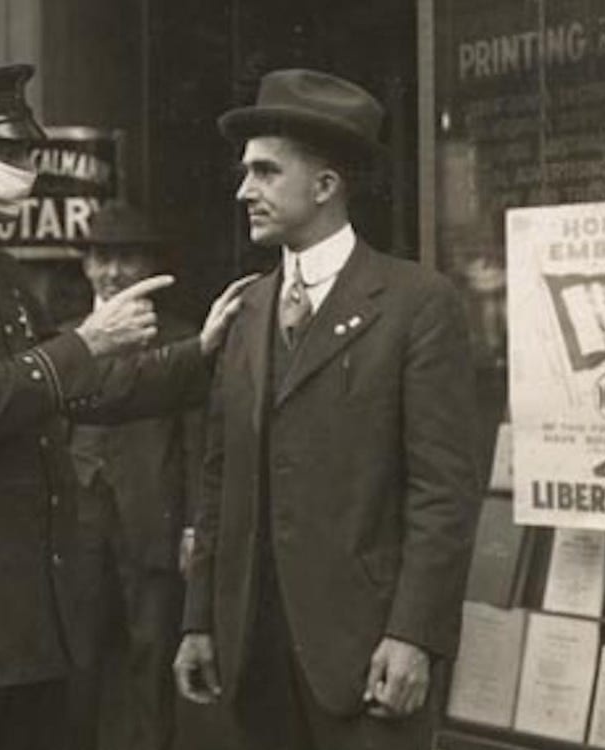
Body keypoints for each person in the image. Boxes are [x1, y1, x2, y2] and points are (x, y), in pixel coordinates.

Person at [0, 64, 251, 750]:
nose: (26, 170)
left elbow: (78, 393)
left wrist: (198, 355)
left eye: (29, 153)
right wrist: (85, 343)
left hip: (28, 624)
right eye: (9, 154)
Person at [173, 68, 480, 750]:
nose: (242, 191)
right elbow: (217, 482)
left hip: (367, 652)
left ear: (324, 186)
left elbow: (444, 493)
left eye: (264, 172)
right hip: (253, 651)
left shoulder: (416, 305)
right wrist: (199, 620)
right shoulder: (246, 309)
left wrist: (413, 634)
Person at [67, 202, 203, 750]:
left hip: (151, 522)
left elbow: (197, 442)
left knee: (151, 660)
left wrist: (194, 525)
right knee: (76, 663)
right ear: (86, 267)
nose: (114, 271)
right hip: (75, 524)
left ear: (150, 265)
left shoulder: (182, 337)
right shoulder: (66, 336)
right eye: (102, 257)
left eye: (126, 257)